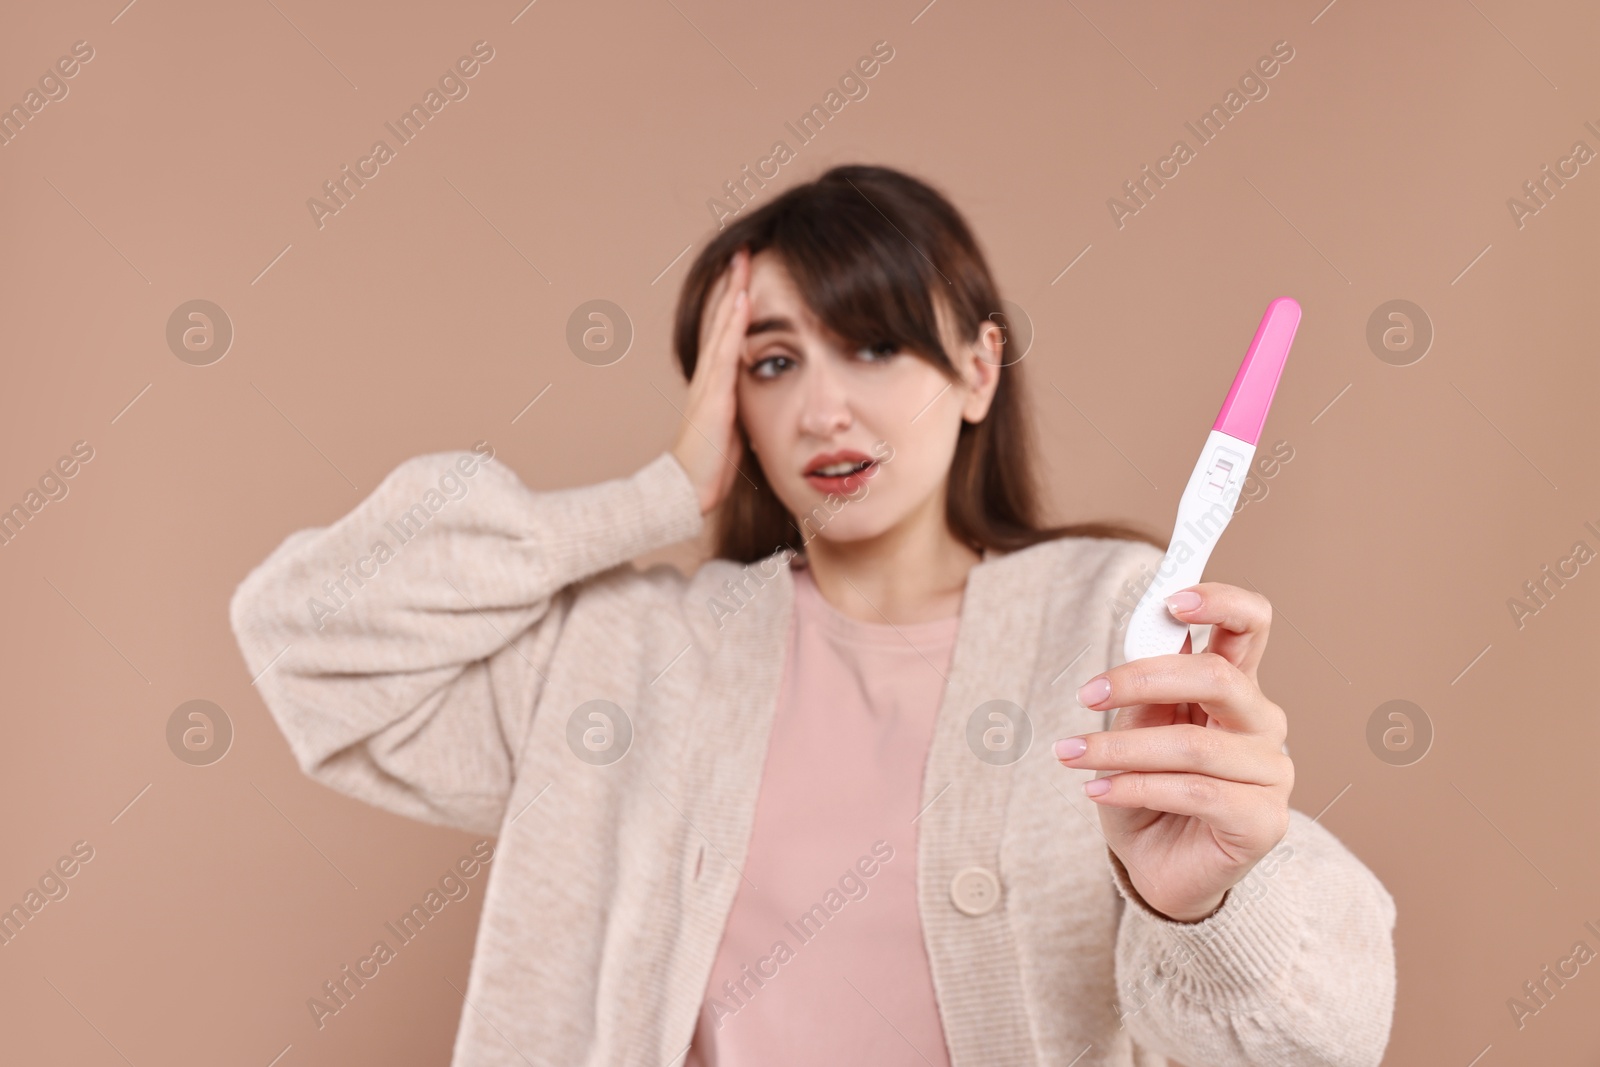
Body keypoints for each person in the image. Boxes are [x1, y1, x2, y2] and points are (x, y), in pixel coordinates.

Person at [229, 164, 1396, 1066]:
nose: (825, 407)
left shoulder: (1112, 618)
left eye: (876, 344)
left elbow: (1318, 1039)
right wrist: (656, 491)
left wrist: (1201, 906)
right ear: (723, 397)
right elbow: (305, 631)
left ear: (979, 368)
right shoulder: (628, 656)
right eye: (774, 361)